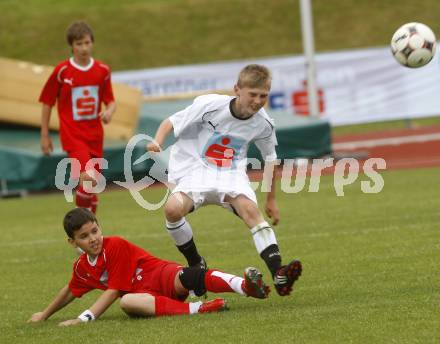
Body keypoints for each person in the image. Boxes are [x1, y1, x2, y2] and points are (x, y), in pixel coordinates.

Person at [146, 64, 302, 296]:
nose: (258, 101)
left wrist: (271, 200)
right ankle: (196, 262)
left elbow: (271, 160)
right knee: (172, 209)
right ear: (237, 90)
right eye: (253, 94)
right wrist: (157, 141)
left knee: (251, 211)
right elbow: (170, 122)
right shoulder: (209, 105)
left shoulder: (264, 123)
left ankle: (278, 273)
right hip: (195, 170)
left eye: (264, 96)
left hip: (230, 175)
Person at [28, 208, 270, 326]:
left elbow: (112, 290)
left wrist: (84, 319)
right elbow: (69, 290)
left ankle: (246, 286)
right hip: (144, 296)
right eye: (84, 236)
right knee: (128, 303)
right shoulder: (82, 267)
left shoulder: (115, 245)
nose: (93, 238)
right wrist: (44, 315)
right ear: (73, 242)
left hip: (161, 276)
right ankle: (200, 308)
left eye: (95, 230)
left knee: (191, 275)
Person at [39, 21, 116, 214]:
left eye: (87, 43)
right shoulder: (62, 71)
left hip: (95, 136)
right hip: (73, 136)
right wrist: (44, 134)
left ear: (93, 43)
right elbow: (47, 102)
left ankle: (86, 236)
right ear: (72, 46)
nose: (84, 48)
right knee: (88, 179)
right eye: (79, 44)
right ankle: (79, 227)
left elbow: (111, 101)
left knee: (91, 187)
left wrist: (109, 112)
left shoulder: (102, 70)